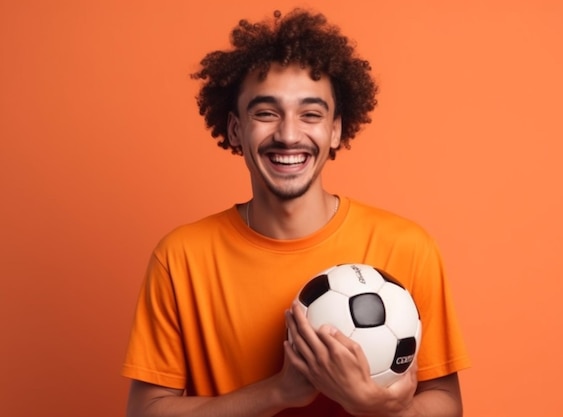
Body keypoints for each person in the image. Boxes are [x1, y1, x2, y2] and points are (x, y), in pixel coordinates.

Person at [122, 8, 470, 417]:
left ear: (336, 129)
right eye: (266, 113)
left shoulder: (406, 247)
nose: (288, 134)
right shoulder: (181, 258)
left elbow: (446, 403)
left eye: (311, 114)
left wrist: (377, 408)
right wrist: (280, 391)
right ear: (235, 129)